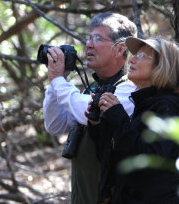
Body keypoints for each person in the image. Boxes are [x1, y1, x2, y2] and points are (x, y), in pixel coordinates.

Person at [87, 37, 179, 204]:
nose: (131, 59)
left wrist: (119, 118)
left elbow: (148, 160)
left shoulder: (168, 109)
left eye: (142, 56)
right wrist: (98, 127)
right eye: (135, 55)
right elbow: (120, 160)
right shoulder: (144, 105)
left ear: (163, 66)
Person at [43, 12, 138, 204]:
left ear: (120, 49)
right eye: (89, 38)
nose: (88, 45)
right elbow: (55, 124)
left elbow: (90, 113)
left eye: (97, 38)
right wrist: (56, 82)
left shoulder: (129, 87)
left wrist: (58, 80)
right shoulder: (93, 88)